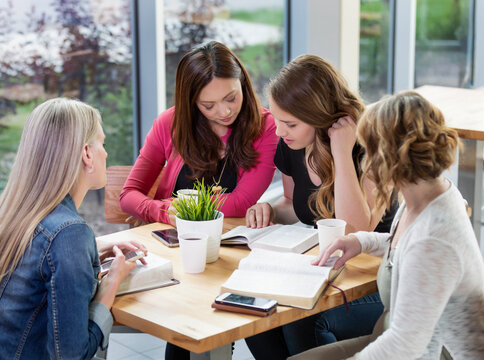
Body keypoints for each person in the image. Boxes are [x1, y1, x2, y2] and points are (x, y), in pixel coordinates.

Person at [290, 91, 484, 359]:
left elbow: (405, 347)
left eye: (368, 151)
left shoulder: (434, 240)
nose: (365, 160)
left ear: (389, 158)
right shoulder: (428, 191)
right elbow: (408, 245)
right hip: (401, 338)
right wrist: (362, 241)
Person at [244, 55, 397, 359]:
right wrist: (271, 210)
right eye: (277, 121)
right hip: (327, 274)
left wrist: (341, 150)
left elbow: (355, 230)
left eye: (290, 124)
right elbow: (292, 204)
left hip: (375, 283)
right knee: (257, 316)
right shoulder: (292, 146)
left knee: (302, 322)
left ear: (321, 118)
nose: (279, 132)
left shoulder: (373, 146)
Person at [0, 98, 147, 359]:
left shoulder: (16, 214)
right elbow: (73, 355)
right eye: (102, 143)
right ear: (87, 154)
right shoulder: (68, 234)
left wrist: (90, 249)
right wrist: (111, 284)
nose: (106, 153)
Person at [120, 40, 278, 227]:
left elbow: (241, 202)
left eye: (231, 98)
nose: (224, 111)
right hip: (169, 237)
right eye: (208, 106)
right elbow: (128, 194)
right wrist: (159, 211)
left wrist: (179, 206)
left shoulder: (266, 127)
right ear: (192, 102)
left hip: (228, 241)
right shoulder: (170, 122)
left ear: (242, 82)